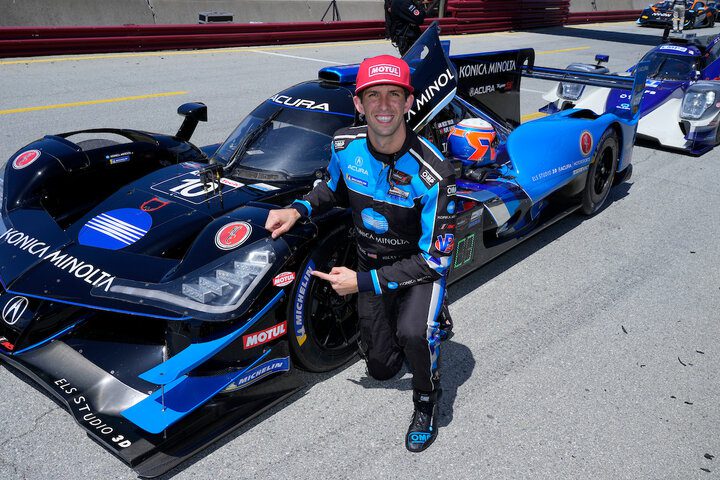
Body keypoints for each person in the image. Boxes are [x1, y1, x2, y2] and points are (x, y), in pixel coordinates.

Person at [265, 54, 456, 452]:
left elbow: (436, 260)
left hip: (418, 271)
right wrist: (296, 209)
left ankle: (427, 400)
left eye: (393, 95)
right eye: (373, 95)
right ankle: (417, 323)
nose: (383, 105)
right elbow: (330, 189)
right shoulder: (343, 144)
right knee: (382, 368)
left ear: (408, 102)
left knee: (413, 333)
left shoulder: (435, 173)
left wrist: (361, 282)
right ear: (358, 103)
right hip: (371, 266)